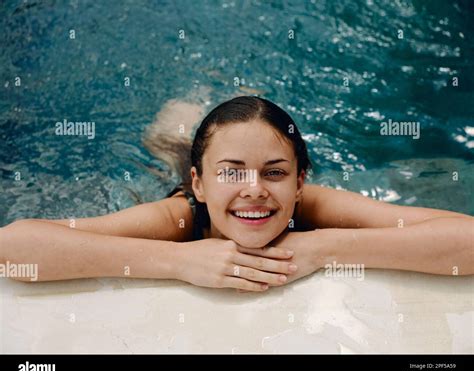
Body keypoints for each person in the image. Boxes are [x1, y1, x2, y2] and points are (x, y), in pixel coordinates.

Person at [1, 95, 472, 291]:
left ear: (300, 181)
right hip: (181, 173)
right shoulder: (177, 217)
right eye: (231, 174)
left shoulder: (313, 207)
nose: (254, 192)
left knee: (241, 135)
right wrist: (181, 261)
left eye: (275, 173)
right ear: (199, 185)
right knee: (172, 131)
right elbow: (12, 247)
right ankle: (189, 126)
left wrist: (321, 246)